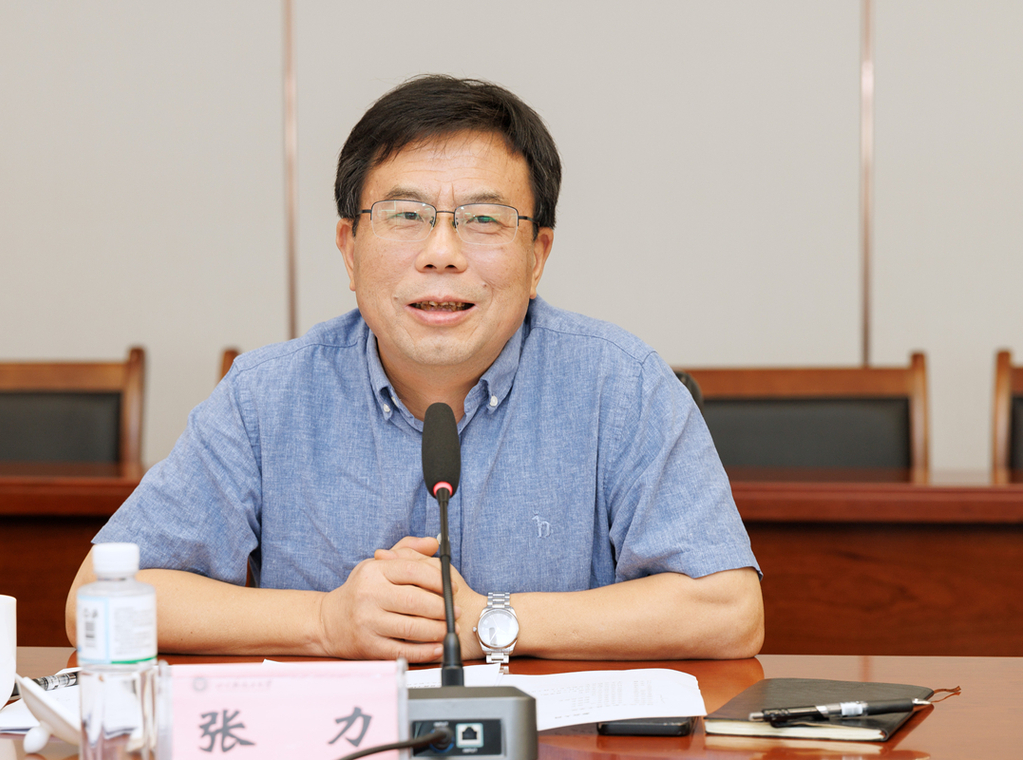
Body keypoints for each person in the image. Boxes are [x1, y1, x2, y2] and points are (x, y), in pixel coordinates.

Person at [65, 75, 763, 662]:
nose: (441, 253)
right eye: (406, 215)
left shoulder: (622, 384)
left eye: (484, 220)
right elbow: (95, 598)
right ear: (349, 249)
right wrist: (325, 622)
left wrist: (492, 619)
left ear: (538, 255)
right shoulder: (266, 396)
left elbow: (729, 610)